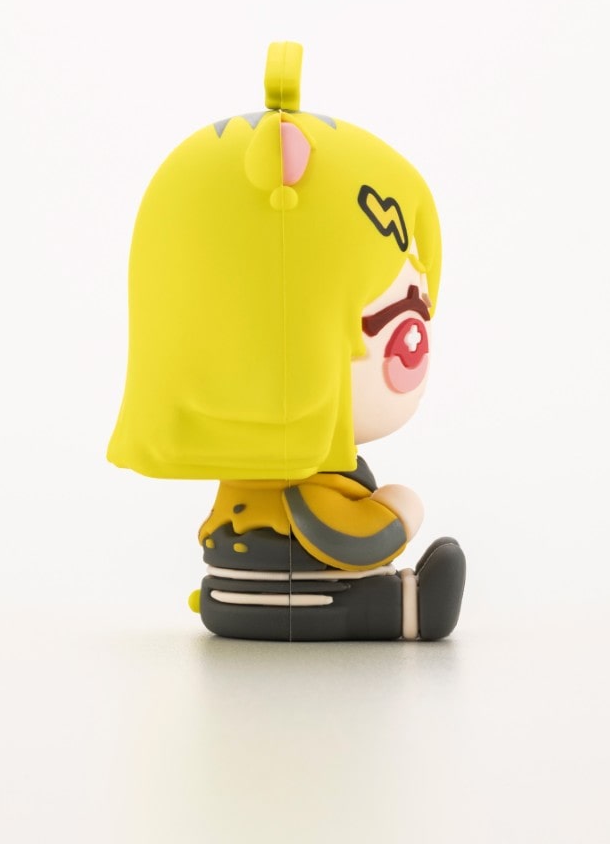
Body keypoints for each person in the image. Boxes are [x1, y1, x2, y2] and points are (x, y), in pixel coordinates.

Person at [107, 42, 465, 640]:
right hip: (304, 598)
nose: (419, 351)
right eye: (404, 328)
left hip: (250, 593)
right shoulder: (302, 487)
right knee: (365, 602)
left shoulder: (290, 470)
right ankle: (406, 611)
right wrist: (399, 512)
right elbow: (345, 538)